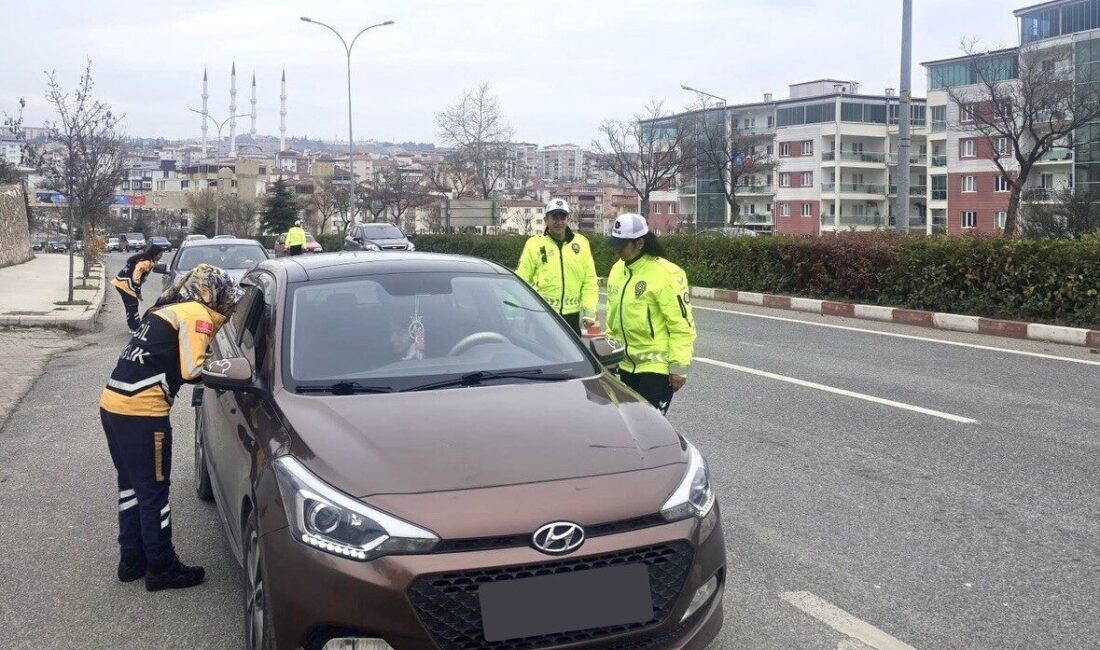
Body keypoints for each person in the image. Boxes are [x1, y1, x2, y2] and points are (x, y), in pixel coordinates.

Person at [99, 264, 241, 591]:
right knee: (155, 492)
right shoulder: (196, 314)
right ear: (213, 292)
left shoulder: (166, 310)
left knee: (131, 488)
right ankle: (162, 568)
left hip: (113, 405)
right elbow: (193, 369)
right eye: (227, 296)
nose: (229, 304)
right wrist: (227, 367)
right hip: (143, 414)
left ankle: (131, 561)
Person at [605, 213, 696, 415]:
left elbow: (681, 324)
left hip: (656, 369)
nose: (617, 249)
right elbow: (613, 317)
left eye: (622, 244)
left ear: (639, 243)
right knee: (628, 427)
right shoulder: (617, 270)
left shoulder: (666, 273)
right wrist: (609, 357)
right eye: (615, 243)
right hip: (626, 365)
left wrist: (679, 367)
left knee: (649, 431)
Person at [516, 198, 598, 333]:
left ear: (568, 219)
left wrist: (589, 312)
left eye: (563, 217)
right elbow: (522, 278)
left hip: (572, 315)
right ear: (545, 220)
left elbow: (589, 279)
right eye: (554, 217)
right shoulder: (534, 244)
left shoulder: (582, 243)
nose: (559, 222)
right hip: (542, 314)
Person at [111, 243, 165, 333]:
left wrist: (137, 291)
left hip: (121, 283)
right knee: (132, 305)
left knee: (131, 305)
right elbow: (136, 277)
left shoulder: (145, 259)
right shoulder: (145, 262)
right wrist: (137, 290)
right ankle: (134, 327)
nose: (160, 257)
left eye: (161, 255)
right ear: (154, 253)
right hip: (124, 284)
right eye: (159, 255)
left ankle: (134, 325)